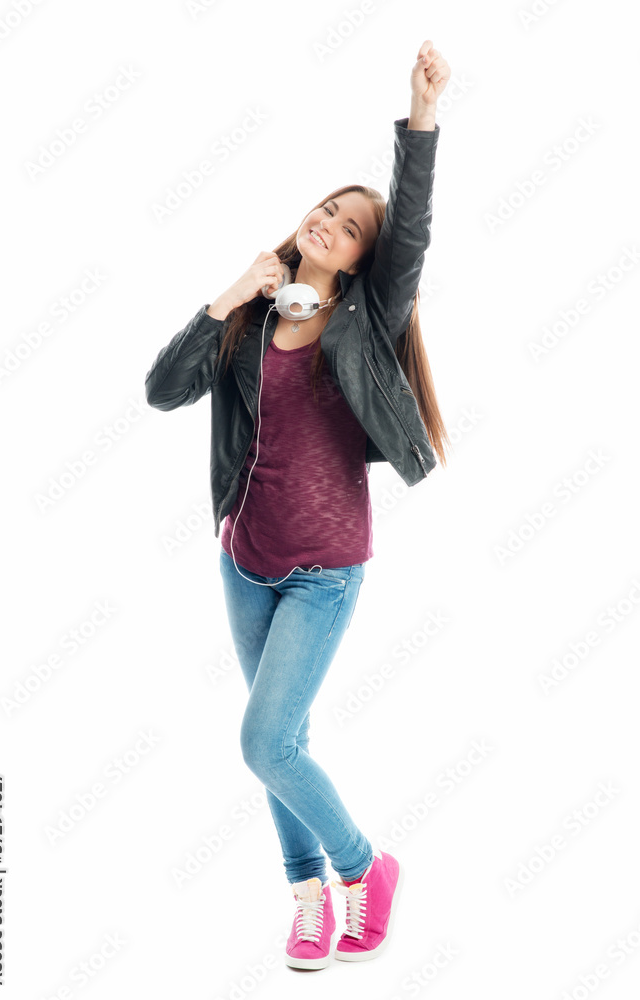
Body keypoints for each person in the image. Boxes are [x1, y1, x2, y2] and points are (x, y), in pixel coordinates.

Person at [144, 39, 451, 971]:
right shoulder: (253, 317)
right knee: (283, 740)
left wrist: (421, 117)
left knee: (265, 742)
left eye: (350, 226)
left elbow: (410, 231)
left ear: (361, 261)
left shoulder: (368, 318)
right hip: (245, 560)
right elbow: (163, 391)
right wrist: (231, 292)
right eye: (326, 209)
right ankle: (310, 898)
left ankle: (365, 869)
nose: (329, 223)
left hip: (324, 571)